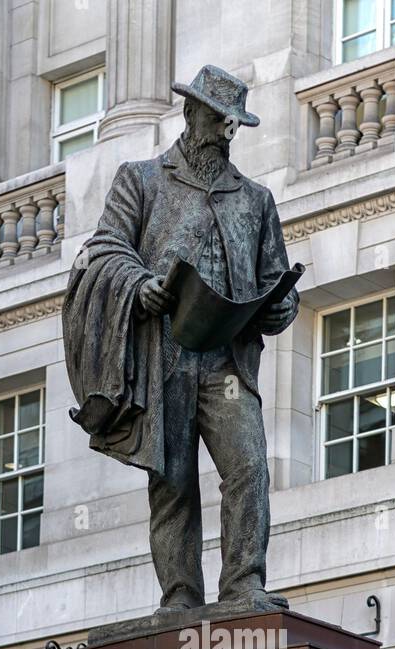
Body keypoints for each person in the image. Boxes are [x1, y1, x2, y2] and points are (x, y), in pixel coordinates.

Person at [63, 64, 300, 613]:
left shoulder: (255, 199)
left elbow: (273, 284)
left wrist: (282, 305)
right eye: (218, 120)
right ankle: (180, 596)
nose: (225, 133)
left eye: (233, 124)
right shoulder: (140, 179)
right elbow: (104, 251)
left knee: (249, 466)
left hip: (226, 363)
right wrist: (139, 284)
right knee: (172, 482)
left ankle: (244, 584)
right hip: (162, 354)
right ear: (191, 112)